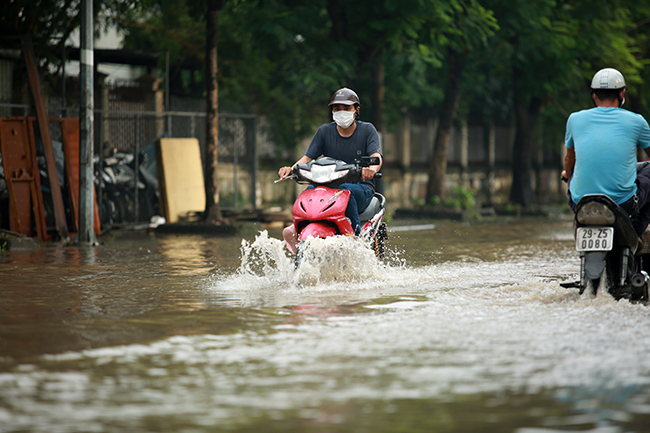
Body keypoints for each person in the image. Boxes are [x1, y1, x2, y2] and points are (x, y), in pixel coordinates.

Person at [278, 87, 383, 251]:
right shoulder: (325, 131)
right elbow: (307, 158)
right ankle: (298, 227)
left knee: (343, 189)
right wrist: (290, 169)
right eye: (337, 108)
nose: (341, 112)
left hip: (360, 186)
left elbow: (376, 156)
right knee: (310, 191)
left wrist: (372, 168)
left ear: (356, 110)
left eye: (347, 108)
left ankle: (354, 237)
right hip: (327, 186)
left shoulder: (367, 130)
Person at [562, 67, 650, 234]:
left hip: (580, 203)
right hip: (624, 203)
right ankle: (635, 232)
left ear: (594, 95)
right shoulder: (637, 121)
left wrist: (567, 173)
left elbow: (569, 160)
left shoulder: (574, 119)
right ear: (622, 93)